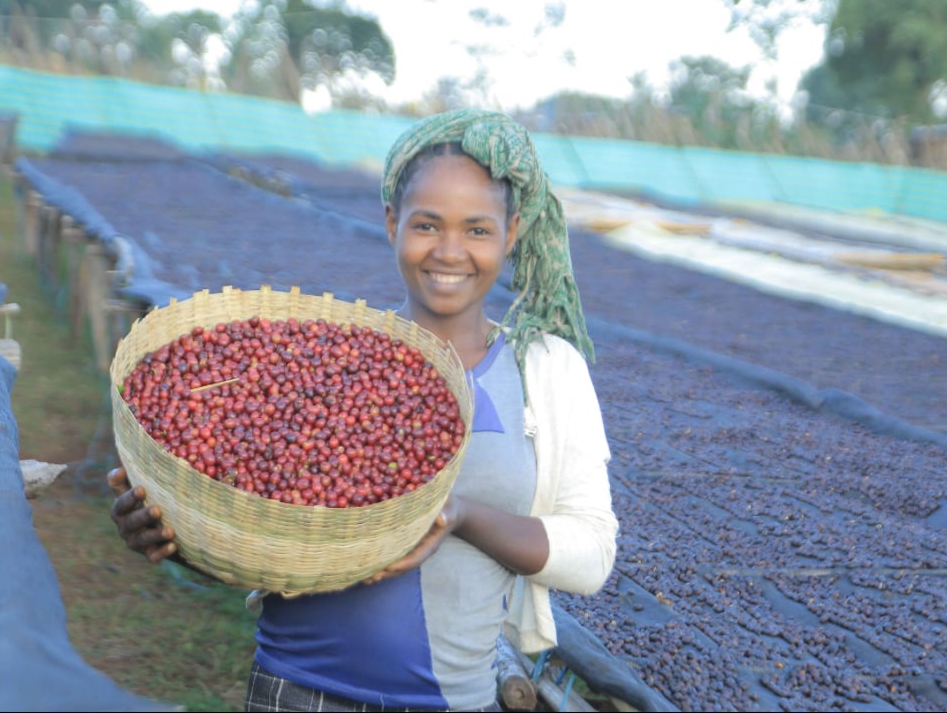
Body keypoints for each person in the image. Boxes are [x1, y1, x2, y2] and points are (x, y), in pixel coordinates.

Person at [108, 108, 619, 712]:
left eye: (477, 230)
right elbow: (262, 509)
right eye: (427, 224)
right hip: (293, 690)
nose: (450, 251)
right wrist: (177, 532)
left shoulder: (547, 371)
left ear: (510, 235)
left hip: (455, 700)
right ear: (391, 224)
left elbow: (592, 553)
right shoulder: (332, 355)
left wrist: (457, 515)